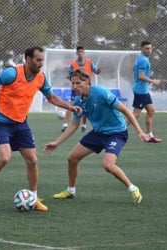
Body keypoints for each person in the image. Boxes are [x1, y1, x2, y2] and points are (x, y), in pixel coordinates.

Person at [0, 46, 82, 211]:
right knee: (4, 157)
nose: (41, 63)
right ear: (28, 59)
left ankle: (33, 197)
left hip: (21, 124)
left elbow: (51, 97)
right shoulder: (12, 73)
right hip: (1, 122)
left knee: (32, 160)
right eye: (38, 60)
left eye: (42, 60)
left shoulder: (40, 78)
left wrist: (69, 107)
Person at [44, 68, 147, 204]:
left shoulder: (101, 92)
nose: (74, 87)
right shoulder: (77, 101)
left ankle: (133, 188)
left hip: (116, 133)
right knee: (72, 158)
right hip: (98, 133)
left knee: (108, 165)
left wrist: (139, 131)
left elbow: (126, 111)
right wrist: (57, 142)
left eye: (78, 83)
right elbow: (74, 125)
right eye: (72, 84)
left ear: (87, 82)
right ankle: (70, 191)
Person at [61, 46, 101, 133]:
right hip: (76, 89)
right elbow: (69, 75)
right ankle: (65, 124)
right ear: (76, 53)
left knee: (86, 105)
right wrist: (74, 80)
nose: (80, 53)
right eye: (78, 51)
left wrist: (99, 70)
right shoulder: (73, 64)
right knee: (71, 104)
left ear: (84, 52)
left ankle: (83, 124)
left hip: (87, 88)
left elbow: (96, 72)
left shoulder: (89, 62)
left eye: (82, 51)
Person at [130, 41, 162, 143]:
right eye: (146, 48)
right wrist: (153, 81)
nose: (149, 50)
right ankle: (117, 131)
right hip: (140, 91)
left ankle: (150, 135)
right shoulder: (143, 60)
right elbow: (141, 76)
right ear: (142, 49)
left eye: (150, 48)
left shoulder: (140, 58)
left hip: (144, 90)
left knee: (151, 111)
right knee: (135, 114)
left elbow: (134, 69)